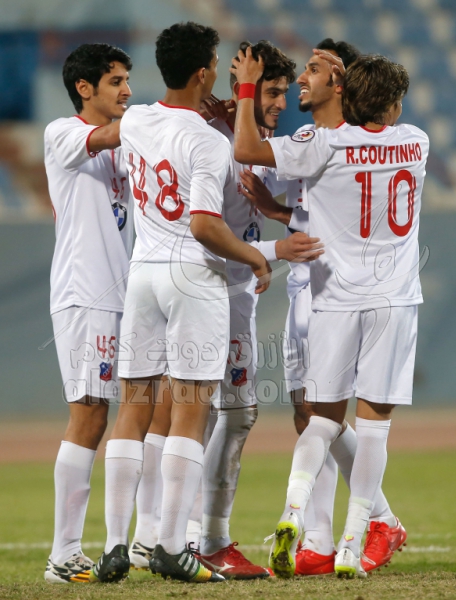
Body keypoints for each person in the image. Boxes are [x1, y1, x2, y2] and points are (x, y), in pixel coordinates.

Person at [127, 39, 322, 580]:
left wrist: (277, 219)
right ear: (241, 90)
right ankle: (201, 538)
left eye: (283, 92)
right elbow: (207, 232)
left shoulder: (256, 142)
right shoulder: (212, 138)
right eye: (271, 91)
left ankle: (160, 535)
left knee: (196, 411)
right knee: (223, 413)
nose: (281, 102)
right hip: (211, 286)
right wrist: (272, 251)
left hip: (225, 289)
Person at [231, 49, 428, 579]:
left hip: (335, 301)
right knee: (375, 428)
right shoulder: (416, 141)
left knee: (319, 420)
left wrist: (247, 88)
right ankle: (351, 543)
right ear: (392, 104)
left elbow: (247, 148)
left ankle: (294, 511)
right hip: (392, 302)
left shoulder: (323, 144)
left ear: (344, 89)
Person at [90, 22, 271, 585]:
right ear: (203, 72)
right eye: (213, 63)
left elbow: (133, 135)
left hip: (142, 275)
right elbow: (204, 225)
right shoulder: (209, 143)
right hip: (192, 278)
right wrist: (256, 257)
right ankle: (171, 545)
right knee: (191, 411)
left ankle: (116, 545)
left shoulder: (137, 119)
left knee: (133, 408)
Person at [43, 43, 133, 583]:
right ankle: (63, 554)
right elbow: (106, 137)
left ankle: (145, 538)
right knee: (89, 414)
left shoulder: (123, 144)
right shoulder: (62, 133)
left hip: (120, 294)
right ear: (84, 88)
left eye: (127, 80)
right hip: (85, 292)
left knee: (124, 411)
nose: (127, 90)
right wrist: (165, 116)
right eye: (116, 81)